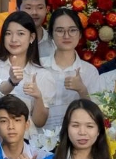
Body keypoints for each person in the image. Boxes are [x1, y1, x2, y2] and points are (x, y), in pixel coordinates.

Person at [0, 11, 54, 134]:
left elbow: (39, 122)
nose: (13, 39)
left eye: (20, 34)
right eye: (8, 33)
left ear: (32, 37)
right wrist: (11, 82)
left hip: (25, 140)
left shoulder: (43, 75)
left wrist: (38, 97)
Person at [41, 8, 101, 137]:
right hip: (40, 138)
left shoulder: (89, 71)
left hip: (77, 138)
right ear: (51, 34)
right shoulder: (39, 67)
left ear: (80, 34)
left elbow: (97, 115)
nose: (66, 35)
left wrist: (82, 90)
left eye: (72, 30)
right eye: (60, 30)